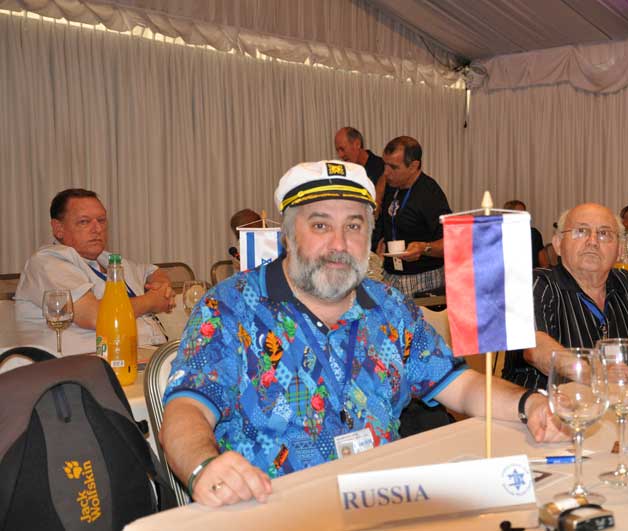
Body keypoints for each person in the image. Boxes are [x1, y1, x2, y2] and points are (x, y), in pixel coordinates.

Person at [159, 161, 567, 507]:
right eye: (320, 225)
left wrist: (530, 403)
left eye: (353, 225)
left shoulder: (390, 308)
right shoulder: (231, 307)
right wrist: (203, 468)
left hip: (380, 505)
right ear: (288, 234)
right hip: (272, 508)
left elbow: (460, 386)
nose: (339, 243)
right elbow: (185, 411)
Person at [502, 203, 628, 391]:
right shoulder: (536, 283)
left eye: (604, 234)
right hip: (545, 408)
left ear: (619, 250)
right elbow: (535, 348)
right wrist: (595, 374)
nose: (592, 241)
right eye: (581, 231)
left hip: (618, 404)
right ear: (558, 244)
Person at [15, 188, 174, 350]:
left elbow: (151, 271)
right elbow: (95, 316)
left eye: (101, 220)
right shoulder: (47, 262)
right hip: (83, 361)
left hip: (145, 354)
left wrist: (161, 285)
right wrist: (151, 301)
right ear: (58, 228)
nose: (97, 229)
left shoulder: (107, 259)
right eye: (84, 222)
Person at [374, 136, 451, 297]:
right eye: (384, 164)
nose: (386, 172)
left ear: (414, 166)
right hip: (391, 275)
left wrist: (424, 248)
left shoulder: (429, 194)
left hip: (422, 279)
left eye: (393, 167)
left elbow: (450, 242)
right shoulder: (392, 184)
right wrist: (378, 199)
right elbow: (383, 179)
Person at [334, 127, 386, 211]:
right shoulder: (344, 173)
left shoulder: (383, 168)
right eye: (337, 151)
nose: (340, 155)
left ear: (357, 144)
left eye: (342, 149)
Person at [504, 200, 548, 268]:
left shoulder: (533, 234)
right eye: (519, 214)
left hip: (533, 273)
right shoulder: (500, 235)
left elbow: (544, 264)